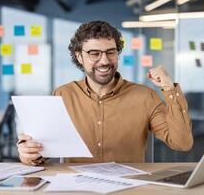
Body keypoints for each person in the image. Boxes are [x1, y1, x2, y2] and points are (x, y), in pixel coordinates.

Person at [17, 21, 193, 166]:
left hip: (130, 189)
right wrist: (29, 154)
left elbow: (182, 143)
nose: (104, 61)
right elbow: (43, 150)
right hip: (77, 188)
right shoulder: (62, 95)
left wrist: (170, 89)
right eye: (94, 54)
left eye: (111, 52)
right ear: (79, 57)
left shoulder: (145, 97)